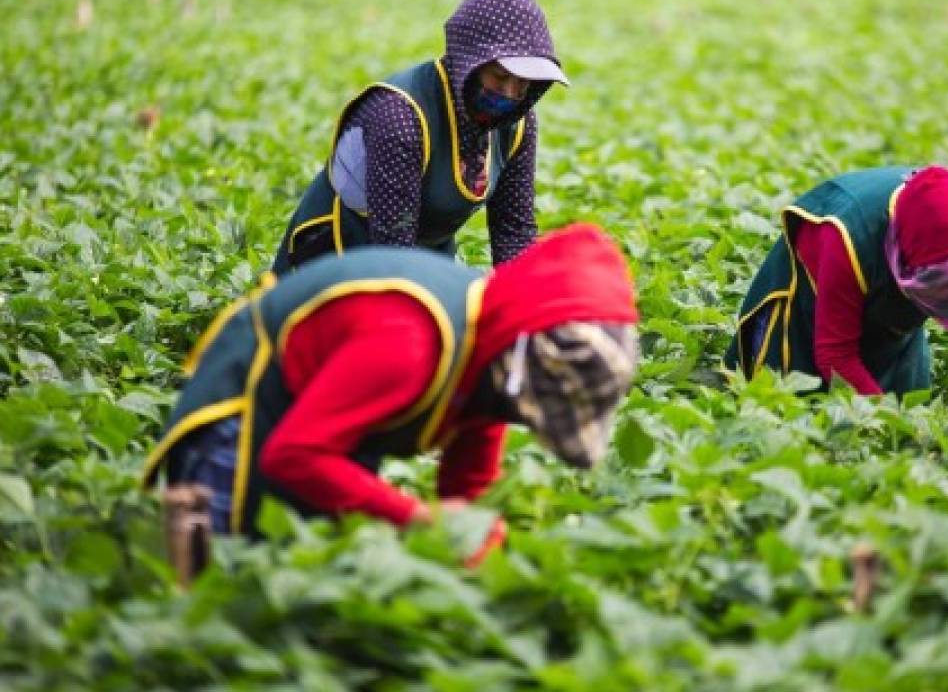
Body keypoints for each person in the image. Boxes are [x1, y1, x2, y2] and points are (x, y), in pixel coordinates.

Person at [144, 224, 639, 555]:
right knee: (230, 563)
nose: (518, 417)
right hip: (248, 404)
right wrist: (417, 516)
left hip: (322, 418)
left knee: (308, 545)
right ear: (520, 361)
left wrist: (472, 539)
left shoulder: (492, 356)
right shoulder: (409, 341)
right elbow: (294, 455)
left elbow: (468, 481)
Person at [271, 0, 568, 274]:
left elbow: (513, 235)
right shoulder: (400, 116)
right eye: (500, 76)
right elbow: (393, 251)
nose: (511, 93)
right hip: (333, 266)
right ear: (469, 64)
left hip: (423, 266)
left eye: (524, 81)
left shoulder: (517, 124)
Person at [725, 166, 948, 411]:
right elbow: (836, 354)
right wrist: (890, 422)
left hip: (894, 309)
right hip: (808, 305)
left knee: (907, 396)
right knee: (798, 407)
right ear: (915, 273)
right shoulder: (845, 235)